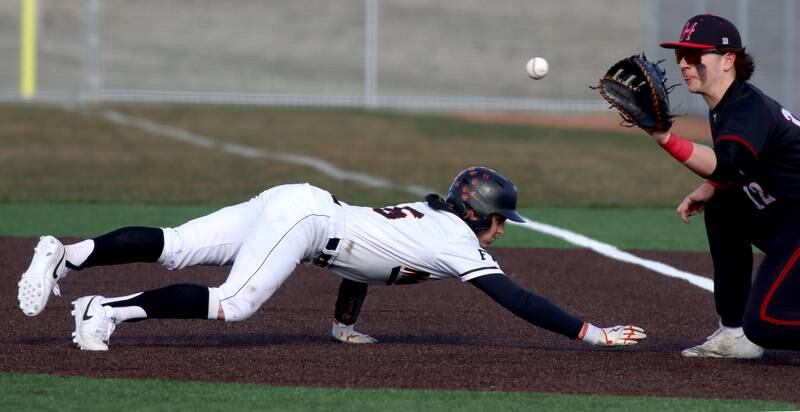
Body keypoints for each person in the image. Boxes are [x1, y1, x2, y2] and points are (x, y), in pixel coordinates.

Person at [18, 166, 646, 351]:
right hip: (309, 218)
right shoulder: (456, 241)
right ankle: (103, 310)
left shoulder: (431, 219)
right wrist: (590, 333)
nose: (503, 231)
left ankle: (68, 257)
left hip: (298, 203)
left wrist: (344, 324)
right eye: (502, 219)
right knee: (233, 304)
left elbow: (365, 259)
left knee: (177, 245)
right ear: (479, 212)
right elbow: (516, 298)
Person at [653, 14, 800, 358]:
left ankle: (747, 331)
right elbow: (738, 168)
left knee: (765, 324)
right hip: (788, 219)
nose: (684, 64)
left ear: (728, 59)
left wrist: (666, 139)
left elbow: (730, 162)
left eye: (695, 56)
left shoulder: (746, 107)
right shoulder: (728, 104)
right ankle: (733, 335)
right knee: (723, 204)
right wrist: (711, 187)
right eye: (680, 56)